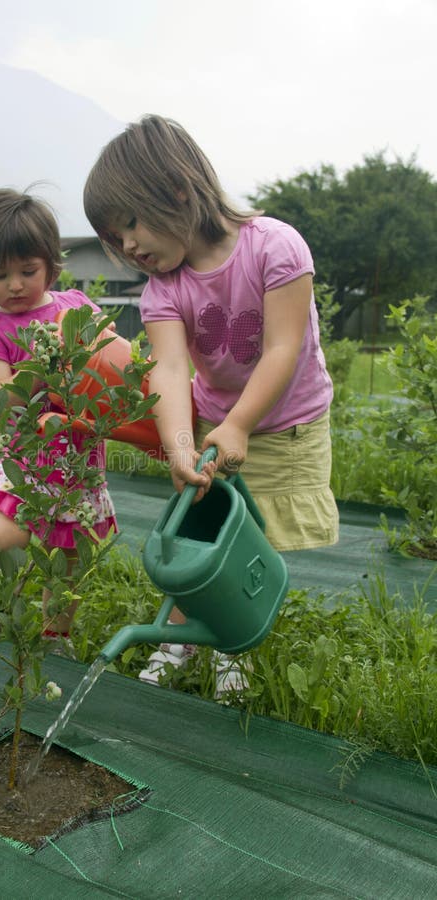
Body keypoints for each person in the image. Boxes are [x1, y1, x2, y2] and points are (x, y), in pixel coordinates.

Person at [83, 114, 339, 695]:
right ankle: (179, 634)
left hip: (285, 422)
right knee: (202, 525)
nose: (127, 247)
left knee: (253, 535)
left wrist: (241, 424)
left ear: (176, 188)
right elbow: (170, 370)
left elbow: (282, 347)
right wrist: (180, 443)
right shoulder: (164, 288)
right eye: (114, 238)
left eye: (130, 225)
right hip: (212, 419)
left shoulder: (274, 246)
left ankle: (230, 646)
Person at [0, 189, 117, 648]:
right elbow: (5, 402)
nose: (15, 285)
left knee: (71, 552)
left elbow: (111, 355)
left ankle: (55, 635)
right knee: (2, 532)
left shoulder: (75, 307)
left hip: (78, 462)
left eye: (28, 271)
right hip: (26, 458)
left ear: (51, 266)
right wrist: (47, 369)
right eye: (0, 275)